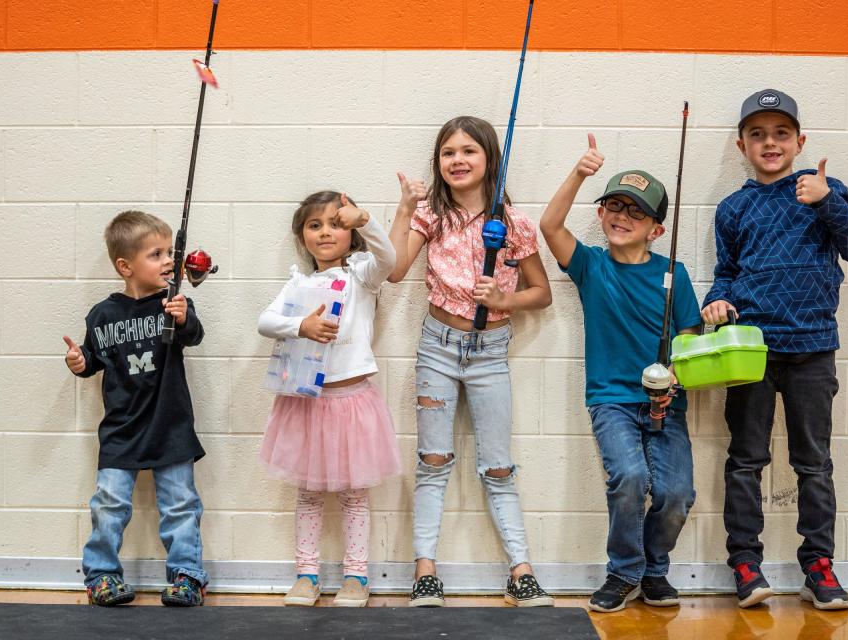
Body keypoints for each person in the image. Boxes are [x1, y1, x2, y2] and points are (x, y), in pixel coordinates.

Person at [701, 89, 848, 610]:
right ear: (742, 146)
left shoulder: (826, 190)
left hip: (814, 349)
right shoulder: (733, 208)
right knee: (745, 461)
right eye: (758, 134)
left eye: (780, 133)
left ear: (799, 141)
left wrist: (828, 203)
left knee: (815, 464)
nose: (769, 143)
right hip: (751, 351)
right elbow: (725, 275)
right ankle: (746, 565)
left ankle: (819, 567)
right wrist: (716, 303)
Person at [388, 115, 554, 607]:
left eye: (468, 151)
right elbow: (395, 272)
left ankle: (521, 571)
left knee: (498, 466)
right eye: (448, 153)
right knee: (432, 461)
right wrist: (403, 208)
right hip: (437, 347)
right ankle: (425, 572)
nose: (457, 160)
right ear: (438, 164)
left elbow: (541, 294)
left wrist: (506, 296)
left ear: (489, 159)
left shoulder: (514, 223)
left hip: (490, 352)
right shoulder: (430, 215)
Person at [540, 134, 702, 612]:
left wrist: (674, 375)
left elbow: (689, 335)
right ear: (600, 213)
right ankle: (623, 572)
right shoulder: (590, 266)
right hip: (610, 400)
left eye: (636, 212)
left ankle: (655, 571)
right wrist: (580, 173)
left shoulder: (675, 273)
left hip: (667, 404)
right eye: (614, 205)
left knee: (677, 493)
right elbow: (549, 225)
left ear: (656, 229)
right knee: (629, 477)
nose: (622, 217)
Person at [258, 191, 401, 607]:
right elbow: (265, 321)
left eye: (336, 225)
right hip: (306, 404)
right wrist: (300, 325)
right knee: (308, 494)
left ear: (351, 234)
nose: (325, 233)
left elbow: (389, 259)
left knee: (355, 495)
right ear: (302, 236)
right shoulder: (298, 283)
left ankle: (357, 575)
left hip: (353, 401)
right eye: (315, 225)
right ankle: (307, 574)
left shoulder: (361, 275)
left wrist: (365, 220)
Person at [63, 210, 208, 607]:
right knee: (108, 504)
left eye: (169, 253)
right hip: (121, 430)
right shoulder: (102, 315)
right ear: (125, 266)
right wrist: (80, 362)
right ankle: (102, 576)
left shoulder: (174, 303)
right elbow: (93, 360)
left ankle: (187, 576)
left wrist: (183, 318)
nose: (168, 262)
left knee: (180, 505)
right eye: (156, 254)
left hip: (170, 425)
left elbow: (193, 334)